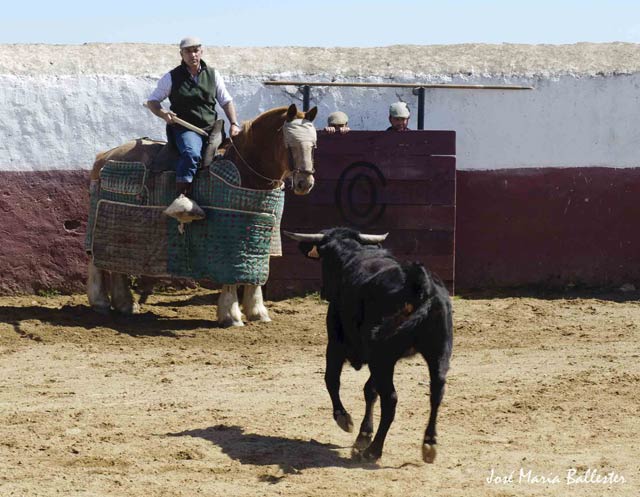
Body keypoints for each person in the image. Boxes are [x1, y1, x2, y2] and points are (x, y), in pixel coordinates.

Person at [146, 37, 241, 204]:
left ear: (201, 52)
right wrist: (164, 114)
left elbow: (226, 100)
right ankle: (182, 199)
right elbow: (152, 101)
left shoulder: (213, 75)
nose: (193, 54)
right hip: (186, 128)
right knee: (191, 154)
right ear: (181, 54)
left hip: (212, 128)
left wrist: (234, 123)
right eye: (188, 51)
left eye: (196, 50)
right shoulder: (171, 77)